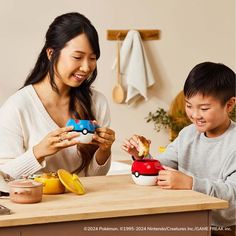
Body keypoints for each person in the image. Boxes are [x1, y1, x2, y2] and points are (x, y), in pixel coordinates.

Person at [122, 62, 236, 236]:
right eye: (189, 106)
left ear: (229, 105)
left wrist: (190, 184)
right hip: (186, 220)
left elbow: (232, 195)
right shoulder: (188, 134)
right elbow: (162, 165)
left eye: (204, 108)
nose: (195, 115)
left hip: (220, 228)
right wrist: (142, 157)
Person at [0, 12, 115, 179]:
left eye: (92, 58)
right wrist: (39, 152)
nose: (86, 67)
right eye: (77, 57)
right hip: (40, 203)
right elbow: (3, 178)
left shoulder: (97, 102)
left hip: (86, 202)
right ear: (51, 53)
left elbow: (94, 177)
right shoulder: (17, 107)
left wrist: (104, 150)